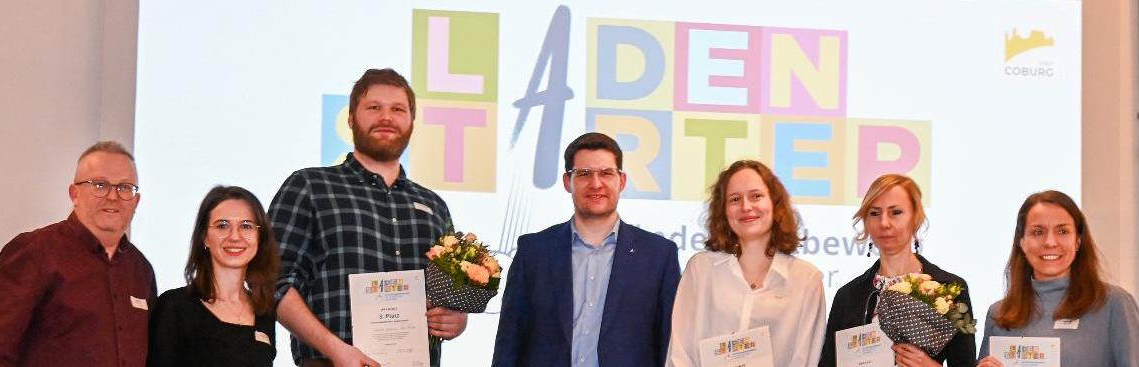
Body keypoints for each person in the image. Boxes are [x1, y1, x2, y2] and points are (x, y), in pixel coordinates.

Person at [269, 68, 466, 367]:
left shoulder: (434, 206)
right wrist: (335, 349)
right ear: (350, 118)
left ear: (412, 122)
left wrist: (456, 318)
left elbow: (447, 295)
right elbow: (273, 282)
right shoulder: (309, 187)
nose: (386, 117)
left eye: (398, 109)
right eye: (374, 107)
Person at [493, 132, 681, 367]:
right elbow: (510, 341)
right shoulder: (533, 252)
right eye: (583, 174)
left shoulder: (659, 256)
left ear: (621, 181)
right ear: (566, 182)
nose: (595, 183)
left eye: (606, 173)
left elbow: (670, 343)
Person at [0, 141, 157, 367]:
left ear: (136, 201)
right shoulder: (36, 251)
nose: (113, 196)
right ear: (74, 193)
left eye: (125, 187)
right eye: (100, 185)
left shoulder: (141, 270)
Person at [666, 160, 826, 367]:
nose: (746, 206)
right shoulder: (701, 269)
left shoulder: (805, 279)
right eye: (734, 199)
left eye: (756, 196)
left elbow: (806, 359)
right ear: (724, 211)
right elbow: (680, 353)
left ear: (775, 204)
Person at [976, 191, 1139, 367]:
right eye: (1038, 232)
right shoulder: (999, 313)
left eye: (1062, 231)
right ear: (1022, 242)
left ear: (1077, 241)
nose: (1050, 242)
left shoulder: (1113, 303)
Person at [819, 173, 975, 367]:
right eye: (875, 213)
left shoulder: (950, 288)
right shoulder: (848, 296)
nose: (884, 223)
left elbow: (965, 363)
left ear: (915, 218)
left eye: (896, 212)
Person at [149, 186, 281, 366]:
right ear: (205, 238)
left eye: (246, 226)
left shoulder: (264, 314)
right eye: (222, 226)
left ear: (259, 237)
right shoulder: (175, 306)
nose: (235, 236)